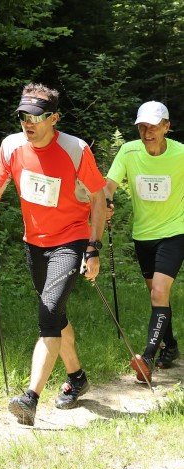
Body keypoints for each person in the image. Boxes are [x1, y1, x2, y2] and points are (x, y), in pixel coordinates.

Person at [0, 82, 106, 426]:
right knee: (57, 316)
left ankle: (30, 398)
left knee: (48, 312)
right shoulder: (11, 146)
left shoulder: (75, 149)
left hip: (71, 239)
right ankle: (76, 377)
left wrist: (93, 247)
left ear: (53, 118)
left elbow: (98, 197)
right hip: (35, 242)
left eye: (35, 117)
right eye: (22, 117)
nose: (27, 124)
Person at [104, 101, 184, 383]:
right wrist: (107, 200)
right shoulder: (129, 151)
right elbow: (109, 185)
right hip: (143, 236)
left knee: (159, 292)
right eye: (142, 126)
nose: (146, 131)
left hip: (174, 233)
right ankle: (171, 346)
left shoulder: (180, 154)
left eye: (152, 126)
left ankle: (147, 357)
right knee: (157, 295)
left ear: (166, 127)